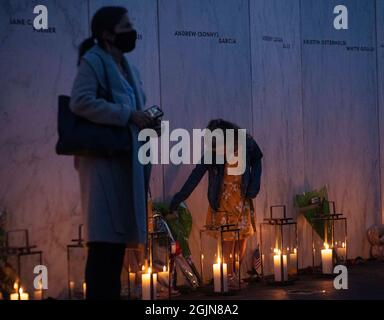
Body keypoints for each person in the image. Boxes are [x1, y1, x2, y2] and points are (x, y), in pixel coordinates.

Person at [70, 6, 155, 299]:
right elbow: (80, 102)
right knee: (103, 246)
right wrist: (127, 115)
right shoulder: (94, 61)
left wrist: (145, 120)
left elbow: (134, 107)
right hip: (101, 165)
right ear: (107, 34)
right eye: (125, 25)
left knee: (116, 246)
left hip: (123, 165)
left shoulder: (128, 67)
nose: (132, 31)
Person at [169, 119, 263, 284]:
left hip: (242, 197)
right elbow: (196, 174)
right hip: (223, 199)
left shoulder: (246, 143)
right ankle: (229, 276)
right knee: (228, 238)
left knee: (241, 238)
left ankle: (235, 274)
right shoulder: (213, 153)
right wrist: (179, 198)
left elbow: (257, 160)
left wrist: (255, 184)